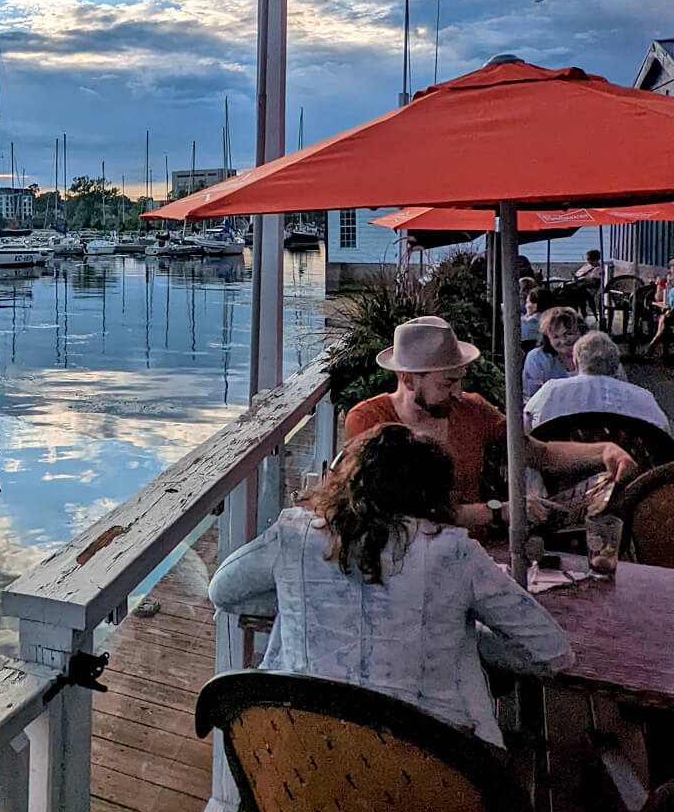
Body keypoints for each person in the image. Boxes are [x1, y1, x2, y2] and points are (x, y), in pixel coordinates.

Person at [208, 424, 572, 748]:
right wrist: (464, 635)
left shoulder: (295, 537)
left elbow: (223, 591)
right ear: (437, 494)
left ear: (345, 483)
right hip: (431, 778)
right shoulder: (455, 553)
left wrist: (300, 602)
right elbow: (553, 651)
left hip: (301, 764)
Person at [344, 316, 637, 536]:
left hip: (476, 554)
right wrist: (497, 513)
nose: (459, 392)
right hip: (402, 561)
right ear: (408, 380)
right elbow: (400, 513)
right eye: (448, 383)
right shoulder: (369, 421)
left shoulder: (471, 409)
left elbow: (539, 454)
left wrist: (604, 451)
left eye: (460, 379)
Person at [525, 331, 670, 433]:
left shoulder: (551, 391)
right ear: (616, 364)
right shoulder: (643, 398)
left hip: (562, 472)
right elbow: (664, 437)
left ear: (576, 361)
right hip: (628, 473)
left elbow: (526, 427)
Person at [522, 306, 584, 401]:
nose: (563, 341)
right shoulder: (537, 358)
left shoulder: (593, 354)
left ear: (581, 332)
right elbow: (532, 397)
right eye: (556, 337)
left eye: (569, 334)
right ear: (547, 338)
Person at [645, 259, 674, 357]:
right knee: (665, 319)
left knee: (665, 320)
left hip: (669, 311)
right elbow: (658, 298)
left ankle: (654, 344)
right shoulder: (664, 282)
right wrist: (661, 286)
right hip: (667, 311)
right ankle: (658, 345)